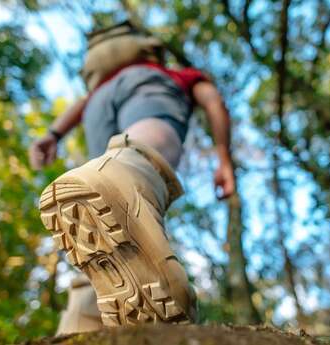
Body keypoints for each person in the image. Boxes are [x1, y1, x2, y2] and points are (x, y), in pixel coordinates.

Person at [29, 21, 235, 333]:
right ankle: (129, 172)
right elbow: (213, 101)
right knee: (142, 144)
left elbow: (81, 104)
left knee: (101, 208)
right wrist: (224, 158)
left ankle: (80, 321)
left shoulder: (98, 86)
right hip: (145, 84)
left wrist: (53, 134)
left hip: (96, 107)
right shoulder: (175, 74)